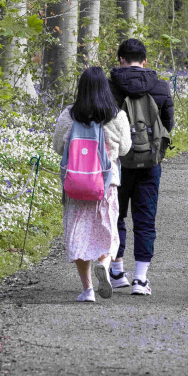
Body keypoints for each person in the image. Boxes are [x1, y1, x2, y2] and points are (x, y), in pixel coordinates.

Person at [53, 67, 132, 302]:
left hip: (76, 185)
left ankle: (87, 290)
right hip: (106, 185)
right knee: (108, 229)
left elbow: (58, 146)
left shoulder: (69, 115)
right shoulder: (117, 116)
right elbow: (126, 149)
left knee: (78, 233)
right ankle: (105, 265)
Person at [108, 39, 174, 296]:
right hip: (150, 162)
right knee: (145, 219)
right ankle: (141, 279)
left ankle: (116, 271)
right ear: (145, 61)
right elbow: (168, 122)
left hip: (117, 162)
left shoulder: (109, 86)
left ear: (120, 60)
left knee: (116, 215)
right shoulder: (160, 86)